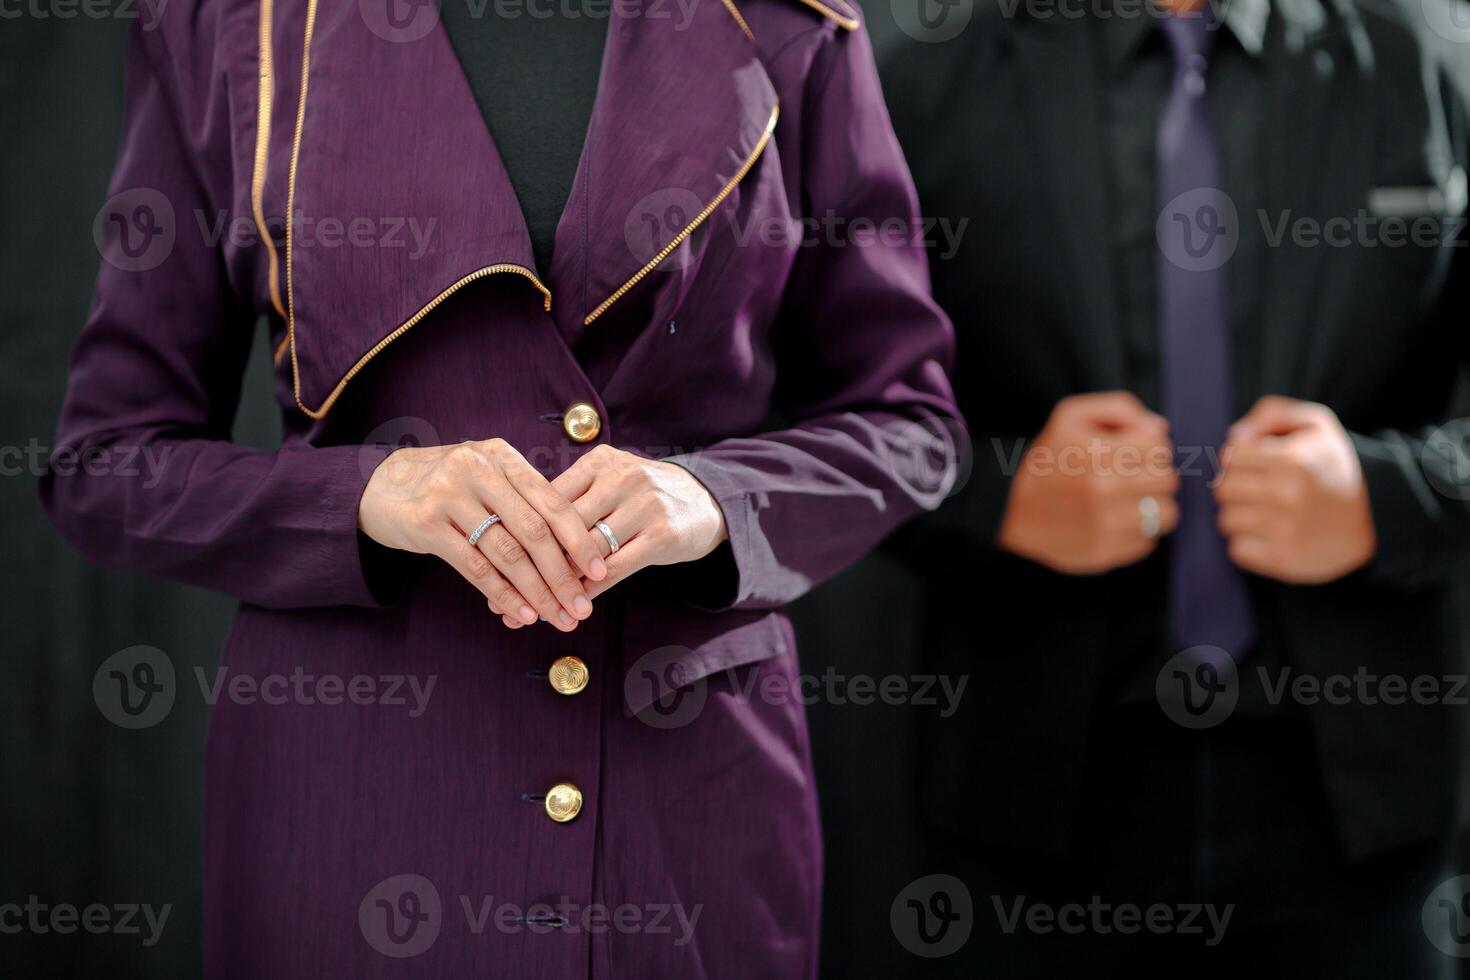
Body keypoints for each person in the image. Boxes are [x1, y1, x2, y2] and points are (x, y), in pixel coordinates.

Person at [40, 0, 962, 972]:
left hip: (687, 804)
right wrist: (366, 491)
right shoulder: (231, 27)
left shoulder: (793, 26)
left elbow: (910, 421)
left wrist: (719, 498)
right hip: (353, 804)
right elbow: (105, 462)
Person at [876, 0, 1470, 974]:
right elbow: (817, 407)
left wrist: (1386, 495)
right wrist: (999, 496)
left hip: (1362, 804)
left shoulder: (1431, 62)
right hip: (1030, 800)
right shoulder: (923, 82)